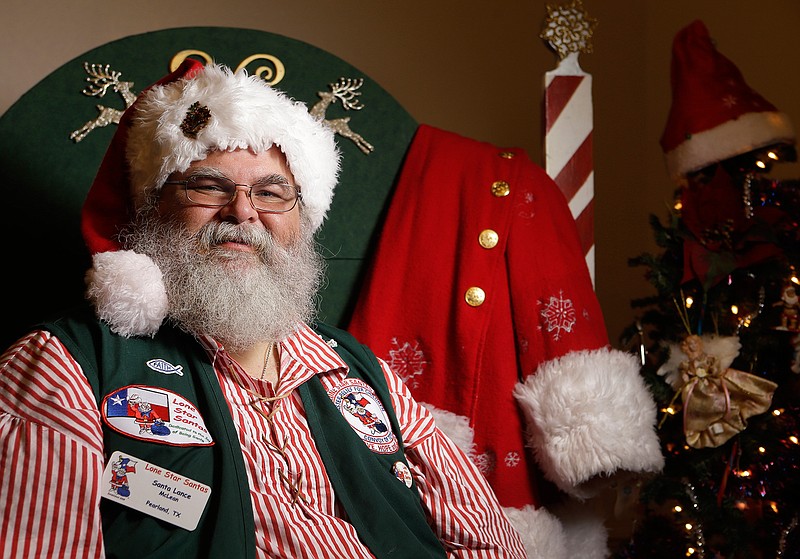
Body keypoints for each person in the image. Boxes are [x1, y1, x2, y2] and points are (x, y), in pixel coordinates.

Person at [0, 60, 526, 559]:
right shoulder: (64, 365)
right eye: (208, 186)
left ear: (303, 218)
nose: (244, 213)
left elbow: (491, 543)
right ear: (152, 207)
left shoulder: (360, 371)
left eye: (273, 193)